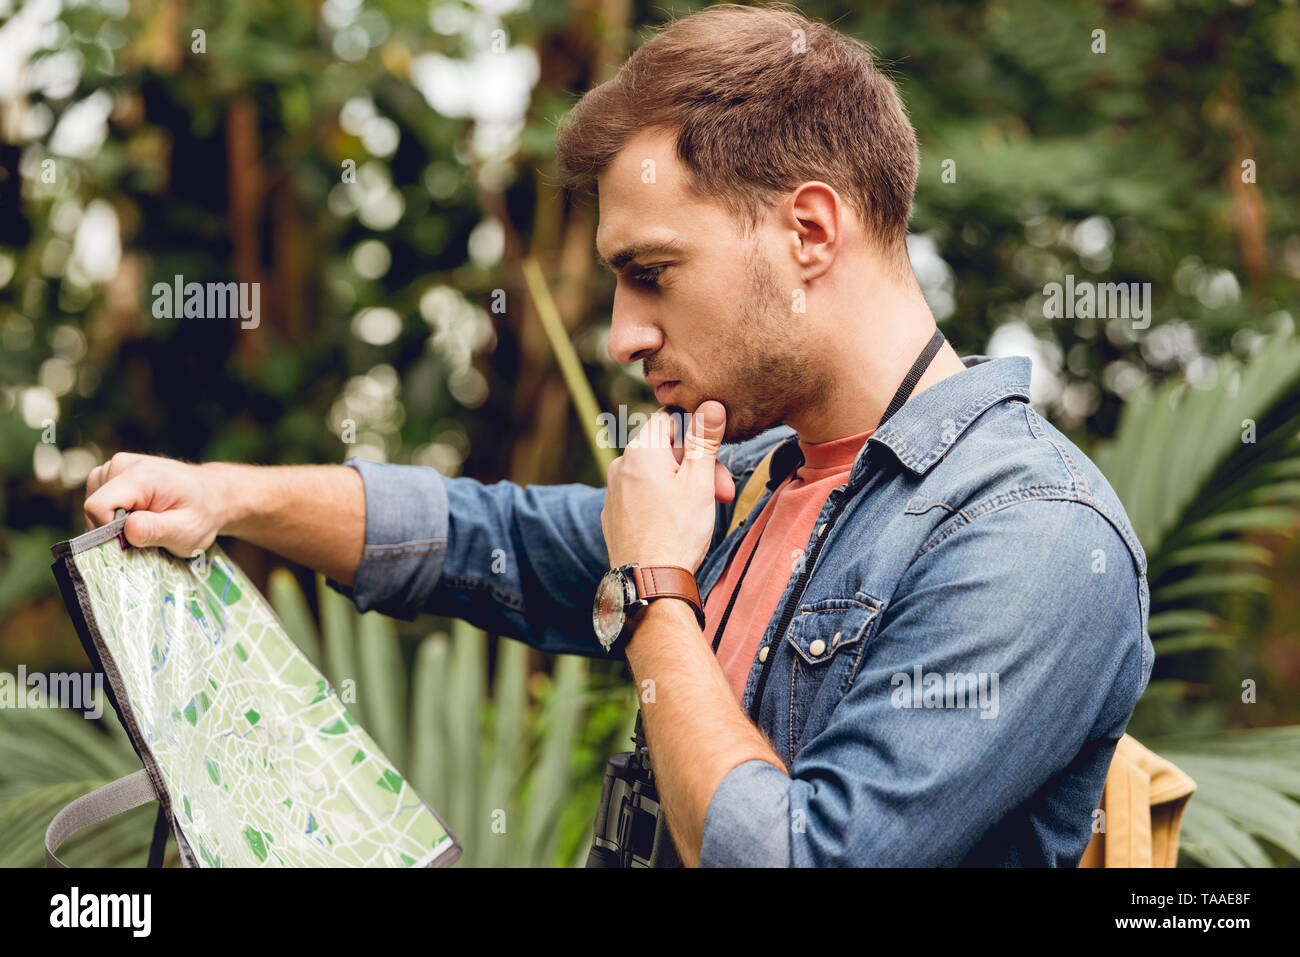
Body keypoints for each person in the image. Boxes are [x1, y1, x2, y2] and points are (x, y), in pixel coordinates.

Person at [82, 4, 1152, 866]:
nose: (620, 336)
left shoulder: (1035, 539)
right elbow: (475, 539)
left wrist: (652, 588)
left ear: (810, 232)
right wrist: (231, 496)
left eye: (651, 274)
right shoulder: (740, 481)